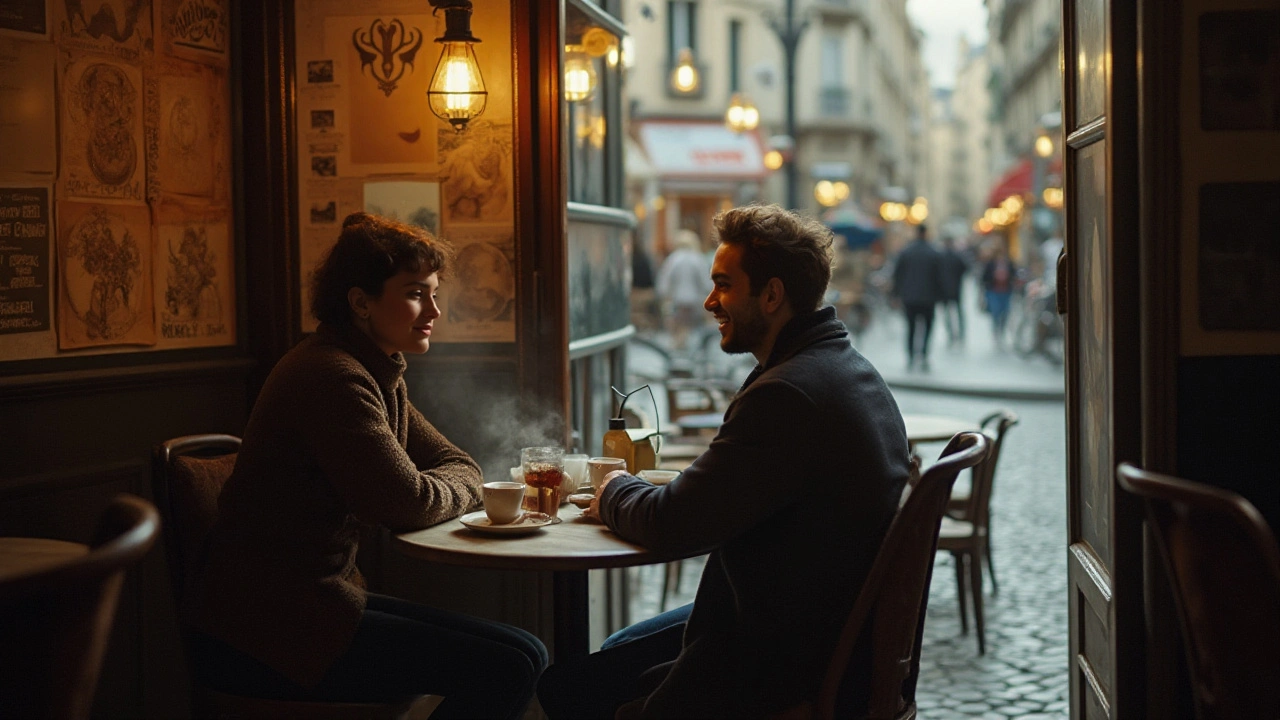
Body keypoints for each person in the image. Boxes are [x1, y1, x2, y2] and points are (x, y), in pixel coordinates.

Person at [537, 204, 911, 719]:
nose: (709, 301)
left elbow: (673, 522)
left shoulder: (788, 394)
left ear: (773, 294)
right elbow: (721, 495)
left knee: (570, 687)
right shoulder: (845, 368)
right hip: (820, 630)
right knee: (617, 650)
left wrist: (612, 488)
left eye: (723, 285)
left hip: (784, 662)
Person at [184, 213, 547, 718]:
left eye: (435, 293)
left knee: (527, 652)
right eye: (417, 293)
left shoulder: (374, 370)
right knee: (509, 665)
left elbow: (456, 463)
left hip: (316, 607)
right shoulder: (334, 376)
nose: (435, 310)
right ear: (360, 302)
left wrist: (448, 483)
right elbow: (408, 502)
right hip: (268, 633)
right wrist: (463, 488)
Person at [892, 223, 944, 370]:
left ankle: (910, 356)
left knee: (911, 328)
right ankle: (924, 354)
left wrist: (896, 295)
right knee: (927, 328)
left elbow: (898, 275)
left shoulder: (906, 252)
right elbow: (939, 277)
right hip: (929, 298)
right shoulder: (933, 252)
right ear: (926, 233)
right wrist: (940, 296)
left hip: (910, 298)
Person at [655, 228, 713, 351]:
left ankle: (679, 351)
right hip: (695, 301)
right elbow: (706, 283)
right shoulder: (698, 258)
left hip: (677, 300)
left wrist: (665, 298)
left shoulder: (673, 259)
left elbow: (664, 283)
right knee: (692, 330)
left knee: (679, 329)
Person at [981, 240, 1018, 348]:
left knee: (1005, 312)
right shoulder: (990, 264)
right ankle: (996, 332)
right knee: (996, 312)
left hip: (1006, 291)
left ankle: (1001, 331)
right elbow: (984, 277)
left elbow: (1014, 273)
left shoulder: (1009, 263)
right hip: (993, 291)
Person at [938, 235, 969, 346]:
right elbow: (965, 269)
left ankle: (951, 333)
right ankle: (960, 333)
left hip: (944, 289)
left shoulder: (940, 257)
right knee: (958, 312)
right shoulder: (957, 256)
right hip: (956, 288)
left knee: (947, 313)